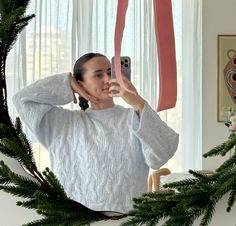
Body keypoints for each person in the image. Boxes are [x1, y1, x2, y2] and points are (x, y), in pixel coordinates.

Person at [13, 52, 179, 215]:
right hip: (75, 220)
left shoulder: (134, 118)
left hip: (126, 220)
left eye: (110, 72)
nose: (108, 79)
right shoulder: (62, 123)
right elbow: (22, 100)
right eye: (98, 75)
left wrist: (138, 102)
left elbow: (161, 154)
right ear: (81, 84)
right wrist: (66, 83)